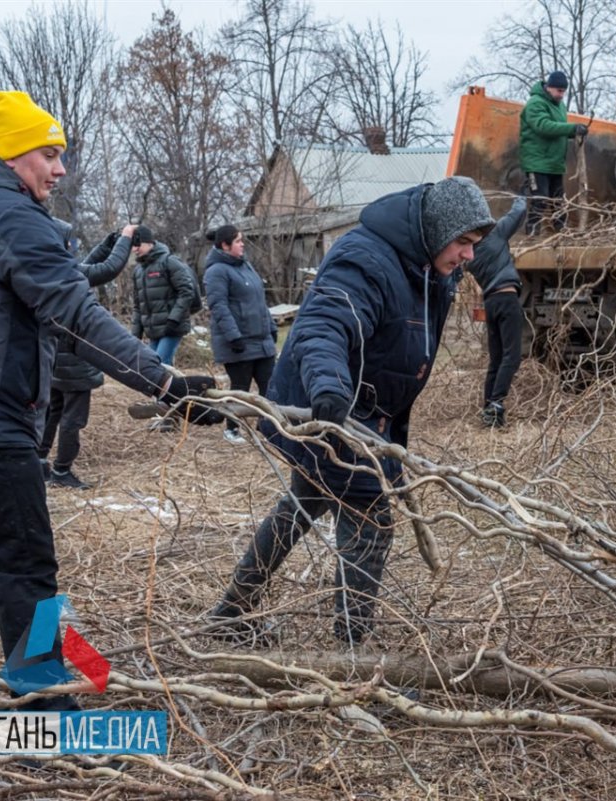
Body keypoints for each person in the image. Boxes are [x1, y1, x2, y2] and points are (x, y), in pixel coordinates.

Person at [0, 90, 219, 711]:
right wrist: (166, 384)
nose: (60, 169)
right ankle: (47, 714)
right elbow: (74, 319)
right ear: (14, 156)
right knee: (26, 567)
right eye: (49, 154)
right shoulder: (7, 215)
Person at [209, 177, 494, 646]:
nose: (469, 256)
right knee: (371, 519)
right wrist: (329, 386)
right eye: (463, 242)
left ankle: (230, 612)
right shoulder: (366, 259)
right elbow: (326, 323)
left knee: (305, 500)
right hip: (329, 409)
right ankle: (352, 649)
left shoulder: (429, 265)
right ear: (436, 230)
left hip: (367, 415)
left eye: (474, 245)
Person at [40, 222, 138, 489]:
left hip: (55, 360)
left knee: (53, 411)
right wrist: (126, 239)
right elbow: (106, 270)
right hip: (74, 361)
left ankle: (39, 462)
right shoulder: (63, 271)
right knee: (73, 417)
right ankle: (62, 471)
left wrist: (107, 243)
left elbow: (87, 266)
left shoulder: (46, 270)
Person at [204, 224, 279, 445]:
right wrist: (233, 336)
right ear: (225, 246)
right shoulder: (216, 271)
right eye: (238, 241)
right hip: (238, 342)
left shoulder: (246, 265)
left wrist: (272, 327)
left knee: (271, 387)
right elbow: (218, 306)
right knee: (240, 389)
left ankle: (267, 428)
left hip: (261, 339)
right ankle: (232, 429)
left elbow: (259, 301)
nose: (242, 244)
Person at [466, 194, 526, 428]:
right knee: (512, 357)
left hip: (491, 303)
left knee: (497, 358)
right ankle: (497, 406)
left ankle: (488, 408)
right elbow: (517, 213)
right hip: (508, 299)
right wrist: (520, 197)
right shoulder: (496, 236)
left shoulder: (471, 256)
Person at [518, 70, 587, 235]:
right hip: (538, 162)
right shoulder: (535, 103)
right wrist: (571, 127)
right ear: (549, 87)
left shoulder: (559, 105)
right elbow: (543, 126)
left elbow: (558, 129)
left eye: (564, 91)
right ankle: (532, 234)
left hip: (554, 162)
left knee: (559, 202)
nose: (561, 94)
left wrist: (575, 132)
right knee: (539, 200)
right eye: (559, 91)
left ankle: (561, 232)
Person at [131, 225, 197, 365]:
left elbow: (186, 291)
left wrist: (174, 319)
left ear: (149, 242)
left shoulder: (169, 262)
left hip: (172, 327)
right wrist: (135, 335)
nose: (134, 249)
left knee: (160, 366)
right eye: (132, 245)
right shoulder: (138, 271)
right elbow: (138, 306)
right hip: (153, 330)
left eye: (138, 244)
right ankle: (175, 387)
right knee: (153, 366)